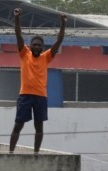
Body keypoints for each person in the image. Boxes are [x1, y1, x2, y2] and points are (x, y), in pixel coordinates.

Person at [10, 9, 67, 154]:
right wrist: (17, 18)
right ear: (30, 46)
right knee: (18, 124)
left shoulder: (46, 57)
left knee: (39, 126)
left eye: (39, 45)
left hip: (41, 96)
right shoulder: (24, 54)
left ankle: (36, 152)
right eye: (34, 44)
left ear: (43, 47)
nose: (37, 47)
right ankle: (10, 152)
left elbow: (59, 40)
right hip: (25, 95)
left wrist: (63, 24)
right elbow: (18, 34)